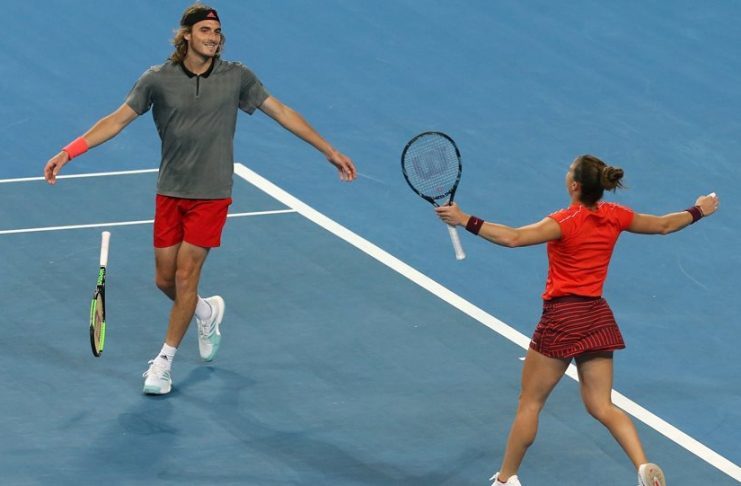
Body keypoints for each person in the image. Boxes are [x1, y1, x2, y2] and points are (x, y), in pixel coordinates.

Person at [43, 3, 356, 395]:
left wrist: (328, 150)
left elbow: (282, 112)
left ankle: (163, 363)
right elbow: (116, 120)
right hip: (170, 191)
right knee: (164, 279)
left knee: (186, 276)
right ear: (186, 35)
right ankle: (206, 310)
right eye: (206, 30)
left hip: (212, 194)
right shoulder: (157, 80)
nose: (213, 38)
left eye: (217, 32)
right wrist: (69, 152)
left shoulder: (237, 77)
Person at [435, 154, 718, 486]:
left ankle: (506, 479)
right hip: (597, 318)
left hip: (563, 318)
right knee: (601, 405)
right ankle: (644, 467)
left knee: (530, 402)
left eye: (569, 170)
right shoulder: (615, 215)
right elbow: (663, 225)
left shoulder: (564, 221)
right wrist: (698, 210)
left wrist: (464, 219)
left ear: (574, 186)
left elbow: (513, 237)